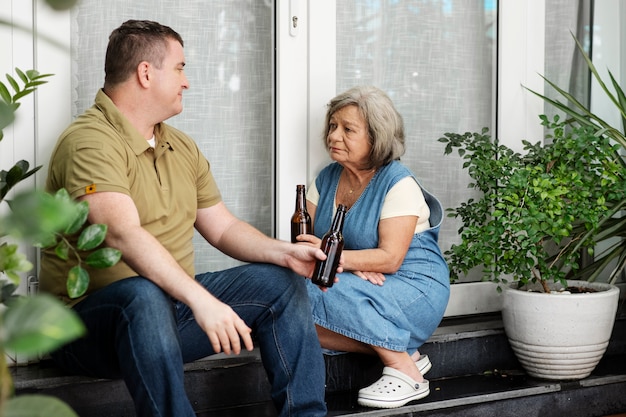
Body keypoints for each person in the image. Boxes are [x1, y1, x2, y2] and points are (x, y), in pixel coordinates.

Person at [39, 19, 333, 417]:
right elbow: (122, 234)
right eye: (179, 67)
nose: (187, 81)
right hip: (86, 329)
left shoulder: (180, 146)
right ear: (146, 73)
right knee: (142, 295)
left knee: (280, 283)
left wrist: (284, 254)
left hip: (169, 311)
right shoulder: (89, 141)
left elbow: (223, 227)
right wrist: (200, 300)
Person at [297, 86, 450, 409]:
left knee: (308, 290)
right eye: (332, 126)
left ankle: (405, 372)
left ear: (377, 137)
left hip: (413, 288)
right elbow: (304, 245)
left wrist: (341, 261)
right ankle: (403, 349)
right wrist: (352, 263)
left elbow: (390, 259)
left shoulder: (398, 182)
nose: (334, 136)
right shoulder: (326, 178)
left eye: (348, 129)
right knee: (288, 299)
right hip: (357, 283)